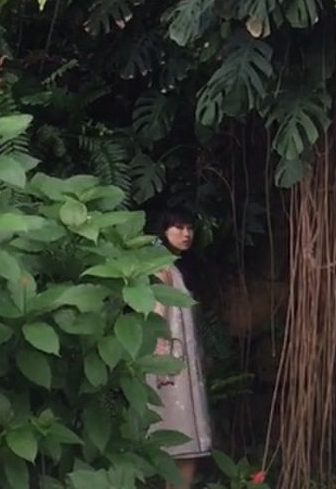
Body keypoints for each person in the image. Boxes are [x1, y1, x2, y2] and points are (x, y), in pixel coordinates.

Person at [150, 207, 212, 489]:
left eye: (189, 228)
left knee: (179, 443)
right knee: (180, 438)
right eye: (178, 227)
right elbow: (156, 312)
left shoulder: (174, 266)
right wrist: (160, 359)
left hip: (179, 363)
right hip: (171, 367)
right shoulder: (163, 268)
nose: (186, 234)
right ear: (163, 230)